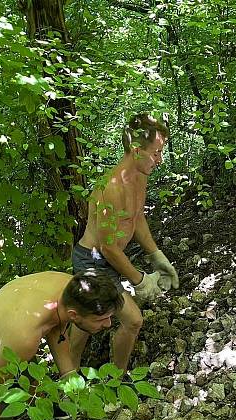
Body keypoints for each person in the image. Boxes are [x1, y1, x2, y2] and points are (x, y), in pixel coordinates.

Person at [70, 112, 179, 370]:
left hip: (110, 260)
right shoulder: (112, 188)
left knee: (90, 320)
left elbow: (136, 217)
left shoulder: (140, 176)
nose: (160, 160)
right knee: (124, 321)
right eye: (155, 153)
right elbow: (107, 248)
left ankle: (110, 378)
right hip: (93, 261)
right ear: (135, 149)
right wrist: (140, 280)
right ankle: (73, 376)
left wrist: (156, 256)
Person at [0, 270, 123, 420]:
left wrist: (70, 378)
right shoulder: (24, 337)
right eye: (101, 319)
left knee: (37, 394)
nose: (108, 324)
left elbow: (56, 325)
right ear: (74, 315)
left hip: (10, 345)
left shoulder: (72, 288)